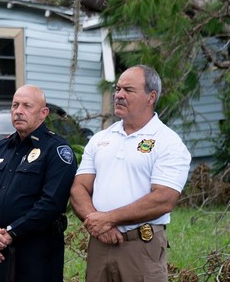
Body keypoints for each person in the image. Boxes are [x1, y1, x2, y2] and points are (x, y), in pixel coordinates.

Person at [70, 65, 191, 282]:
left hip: (141, 247)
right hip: (100, 245)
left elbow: (163, 199)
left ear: (150, 97)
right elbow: (79, 188)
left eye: (128, 90)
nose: (119, 95)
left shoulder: (168, 142)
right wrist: (97, 225)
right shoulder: (100, 139)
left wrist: (108, 219)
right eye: (117, 89)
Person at [0, 85, 77, 282]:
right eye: (15, 105)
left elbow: (51, 203)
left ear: (43, 113)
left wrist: (11, 233)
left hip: (37, 252)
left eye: (27, 106)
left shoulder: (56, 150)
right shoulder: (2, 148)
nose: (18, 111)